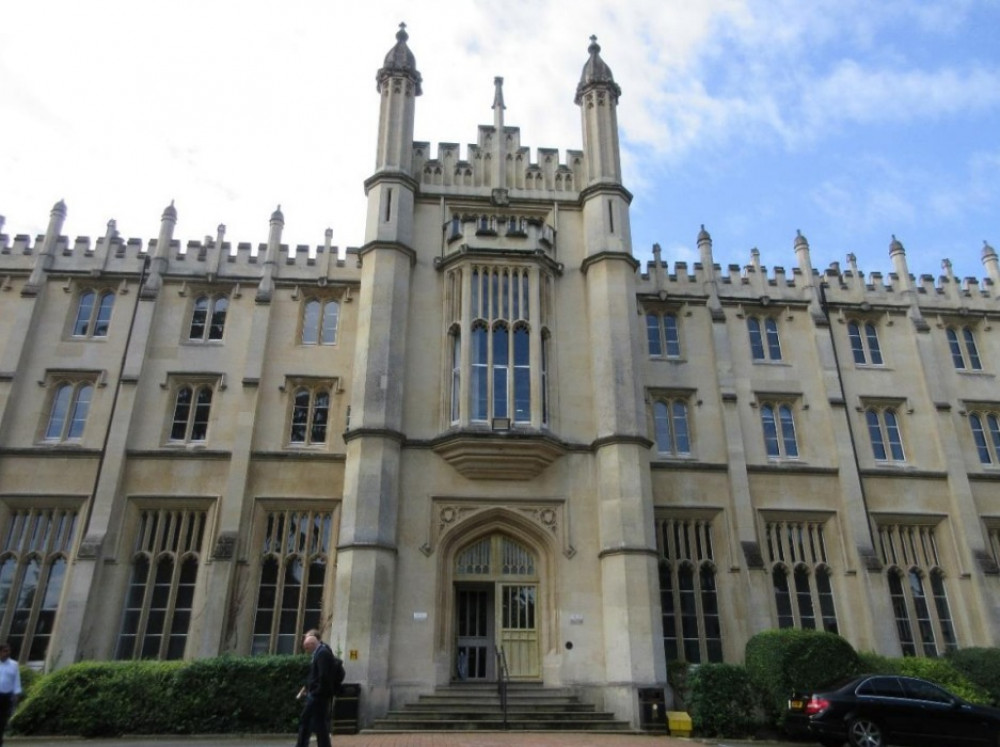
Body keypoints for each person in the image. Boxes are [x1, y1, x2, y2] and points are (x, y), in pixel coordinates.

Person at [295, 629, 335, 747]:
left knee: (306, 721)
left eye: (307, 646)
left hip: (317, 696)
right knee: (319, 724)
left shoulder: (322, 653)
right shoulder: (320, 652)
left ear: (313, 642)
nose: (306, 650)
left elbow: (323, 676)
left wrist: (316, 691)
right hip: (317, 694)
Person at [0, 643, 22, 747]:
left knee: (2, 720)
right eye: (5, 651)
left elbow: (16, 680)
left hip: (6, 697)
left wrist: (16, 693)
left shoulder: (14, 664)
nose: (7, 653)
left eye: (8, 651)